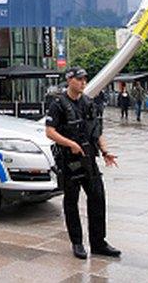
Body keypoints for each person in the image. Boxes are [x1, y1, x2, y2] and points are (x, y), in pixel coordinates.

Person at [45, 67, 121, 260]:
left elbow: (97, 131)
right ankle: (77, 243)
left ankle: (98, 242)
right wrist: (70, 144)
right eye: (79, 79)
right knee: (71, 202)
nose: (83, 82)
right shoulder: (58, 104)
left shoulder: (89, 102)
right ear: (69, 80)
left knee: (98, 198)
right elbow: (50, 131)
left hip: (88, 158)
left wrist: (105, 151)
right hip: (68, 160)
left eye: (85, 79)